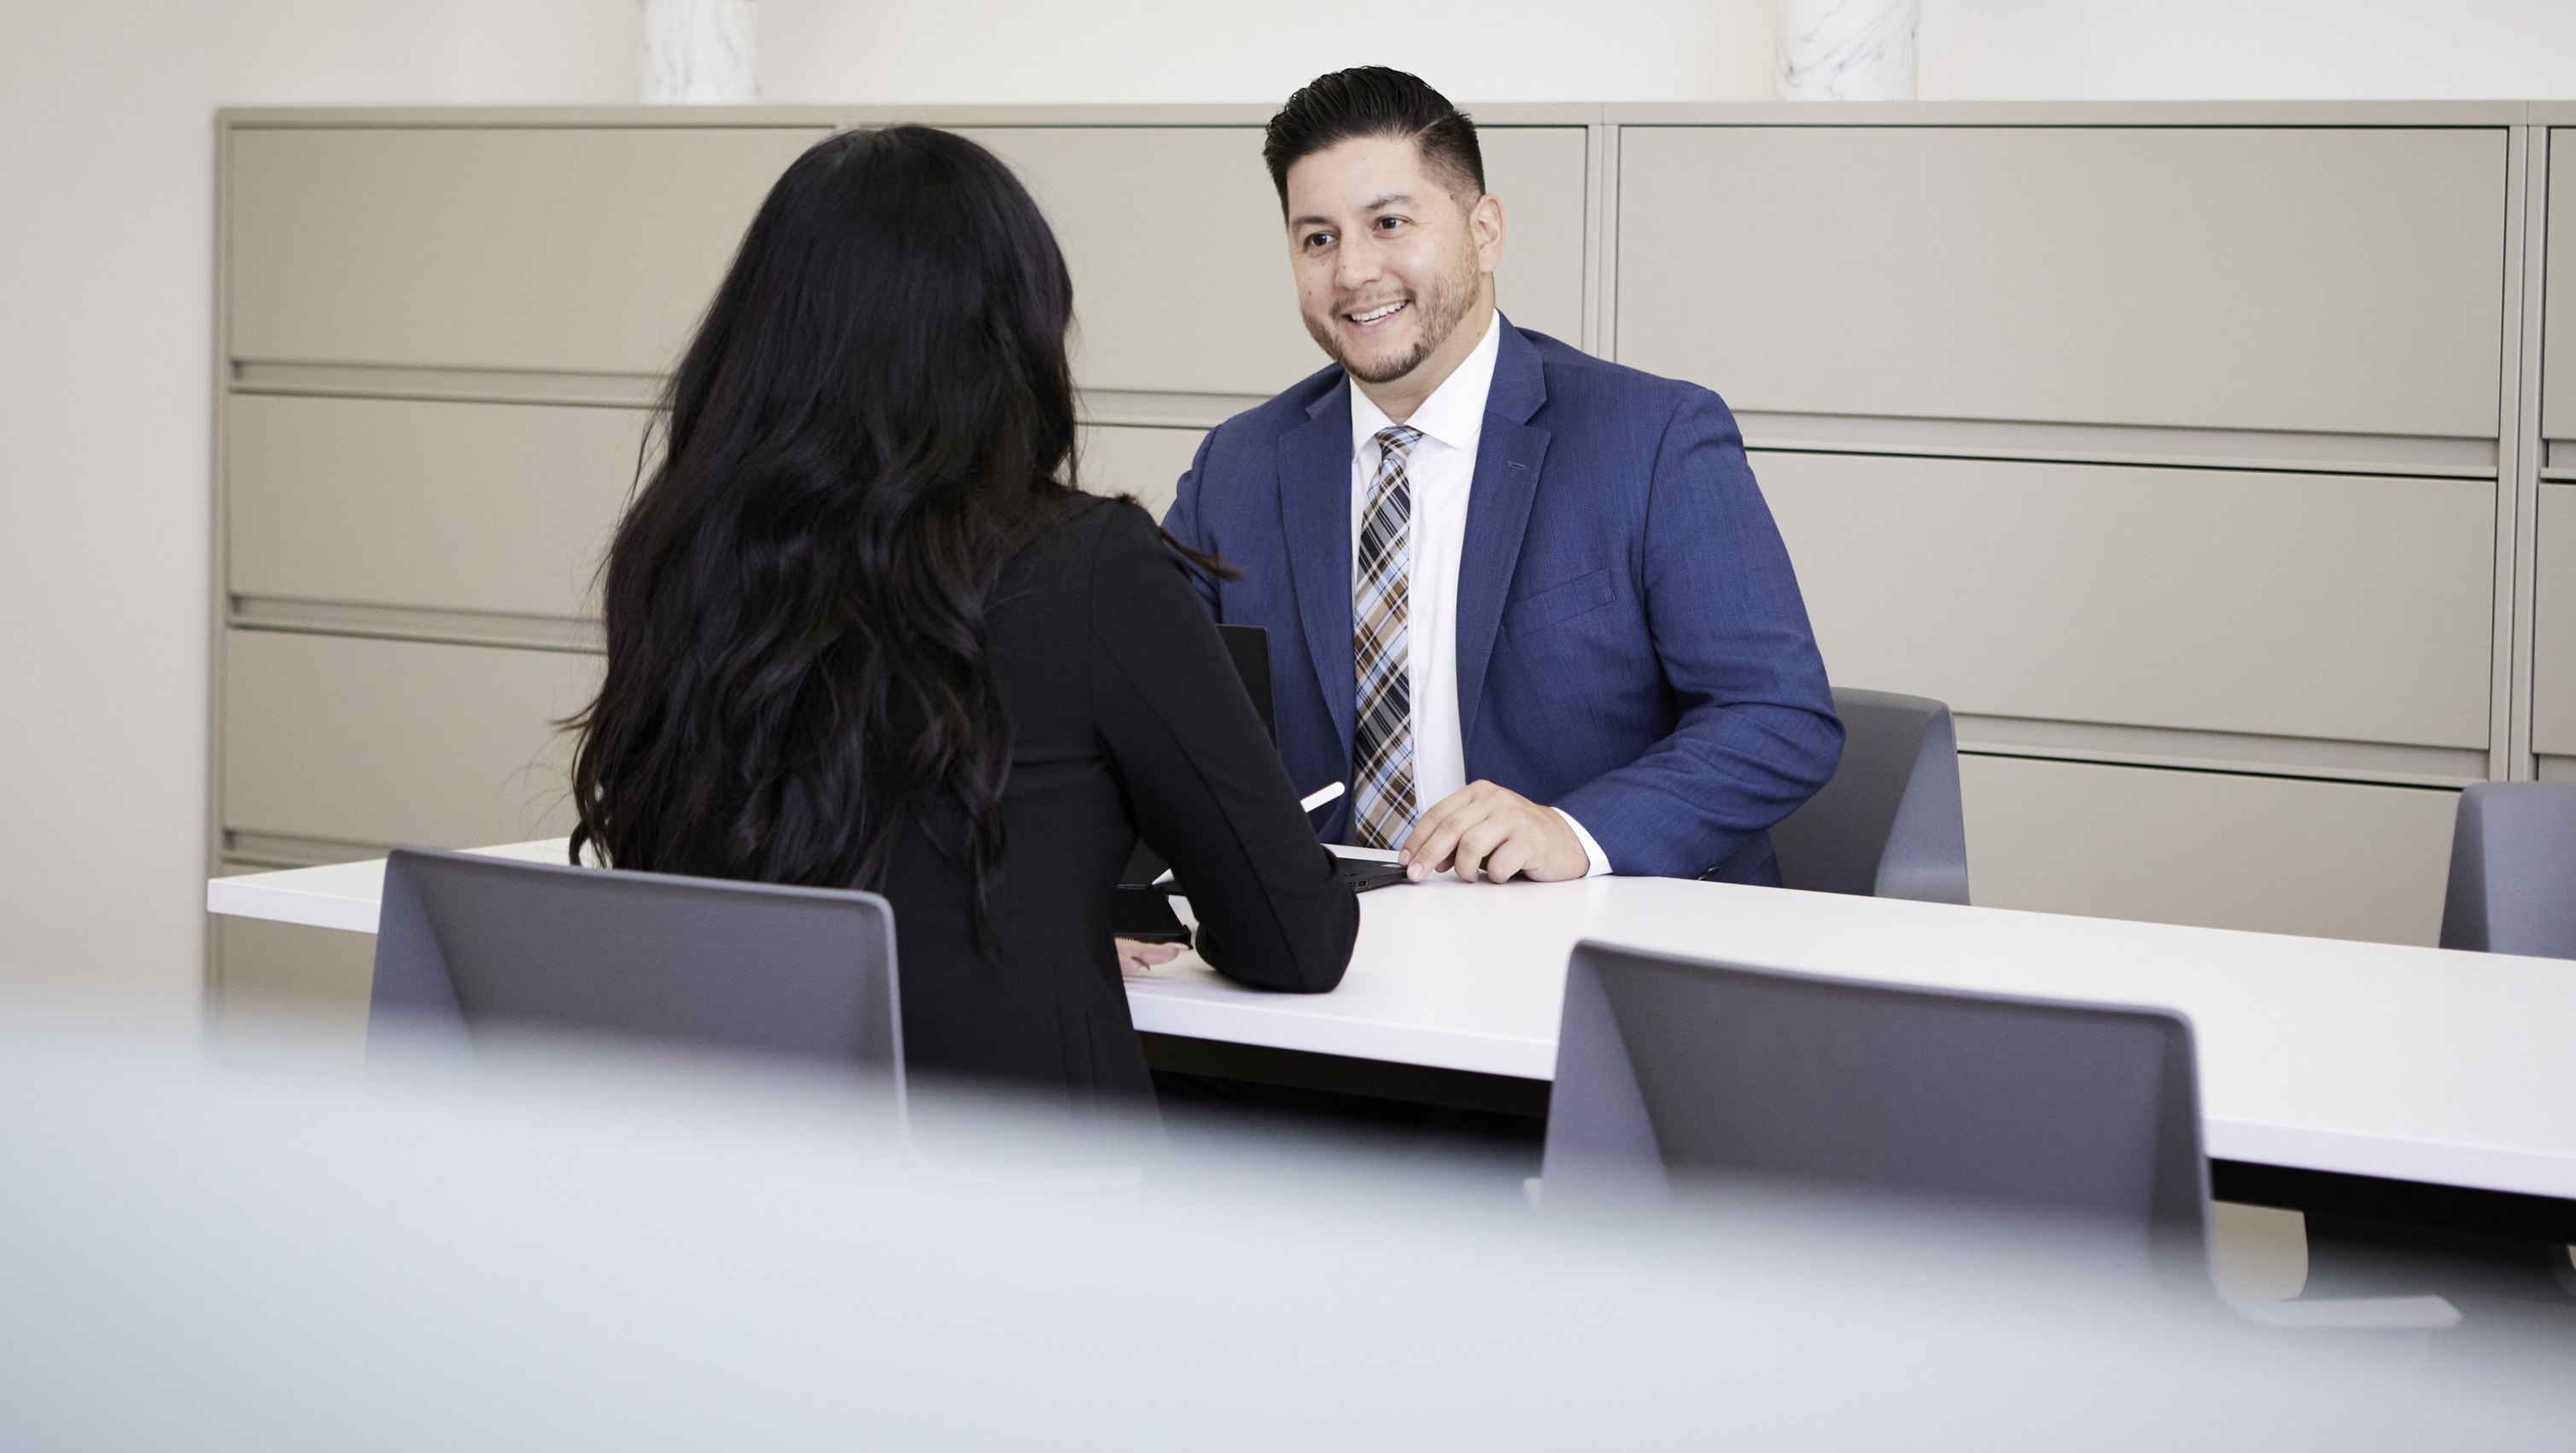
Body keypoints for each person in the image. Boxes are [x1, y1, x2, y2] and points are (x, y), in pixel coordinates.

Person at [567, 125, 1356, 1107]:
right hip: (1015, 1208)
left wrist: (1023, 925)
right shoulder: (1088, 566)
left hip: (738, 1180)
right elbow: (1295, 937)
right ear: (1007, 336)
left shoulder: (681, 555)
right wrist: (1040, 944)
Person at [1165, 67, 1843, 888]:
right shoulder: (1238, 466)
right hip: (1330, 949)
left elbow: (1778, 717)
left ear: (1485, 232)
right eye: (1318, 239)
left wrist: (1573, 829)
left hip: (1590, 946)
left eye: (1388, 222)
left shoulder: (1652, 438)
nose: (1351, 272)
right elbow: (1140, 705)